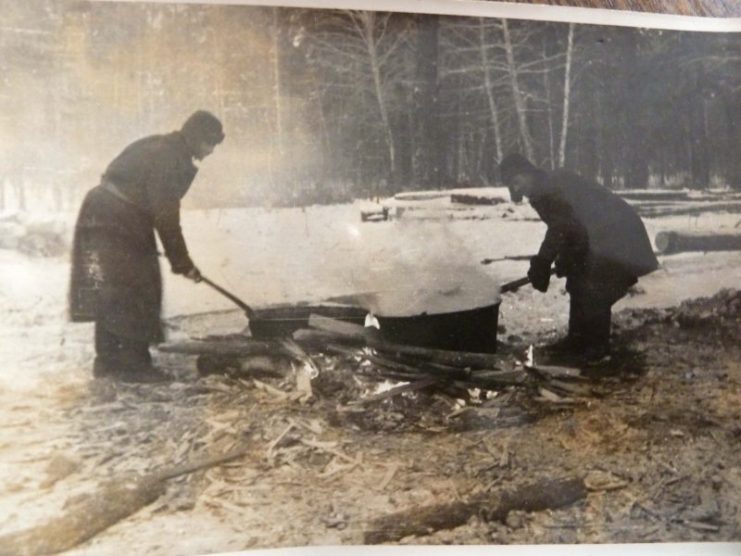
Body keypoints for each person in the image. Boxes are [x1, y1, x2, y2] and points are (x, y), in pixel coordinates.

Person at [69, 110, 225, 383]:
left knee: (113, 290)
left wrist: (180, 260)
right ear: (196, 137)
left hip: (103, 212)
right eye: (210, 143)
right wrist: (182, 261)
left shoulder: (163, 145)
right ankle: (132, 366)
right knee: (135, 288)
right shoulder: (170, 158)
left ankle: (109, 363)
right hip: (116, 217)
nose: (211, 151)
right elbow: (166, 215)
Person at [498, 153, 658, 363]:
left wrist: (543, 261)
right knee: (578, 278)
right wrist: (566, 258)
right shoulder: (543, 189)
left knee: (596, 283)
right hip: (602, 235)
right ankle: (577, 339)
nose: (517, 189)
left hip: (620, 235)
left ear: (528, 172)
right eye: (512, 186)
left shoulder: (550, 187)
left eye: (517, 181)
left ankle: (597, 348)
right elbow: (571, 227)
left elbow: (562, 227)